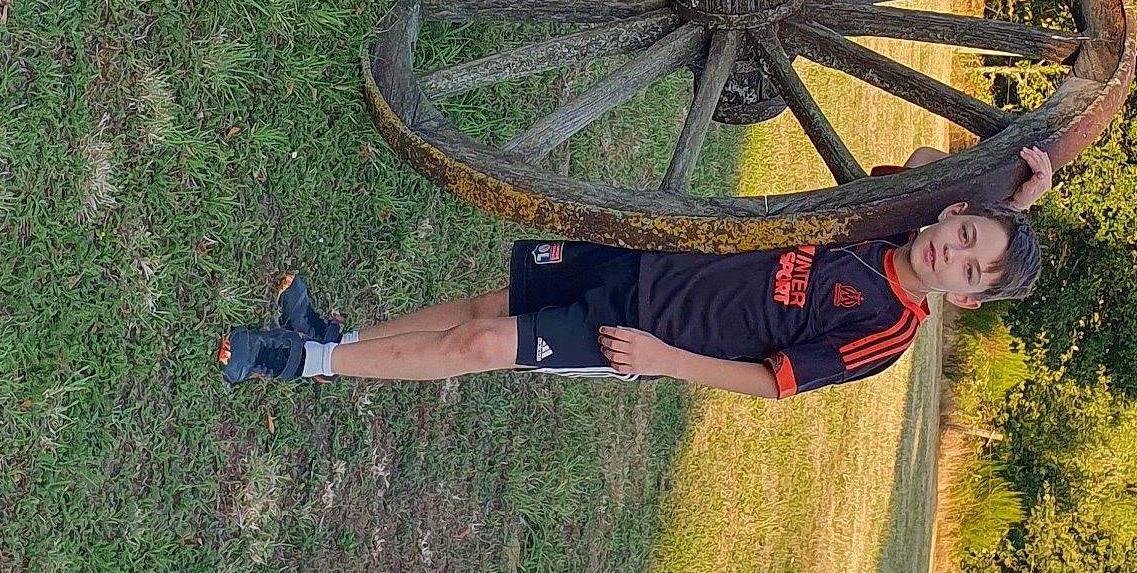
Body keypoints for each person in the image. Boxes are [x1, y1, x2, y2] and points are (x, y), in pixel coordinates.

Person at [219, 143, 1055, 399]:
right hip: (649, 260)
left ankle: (301, 362)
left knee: (480, 343)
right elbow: (923, 162)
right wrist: (1018, 197)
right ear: (953, 218)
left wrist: (663, 363)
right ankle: (338, 335)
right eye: (968, 237)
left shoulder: (888, 330)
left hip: (645, 334)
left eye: (973, 273)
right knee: (486, 299)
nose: (957, 256)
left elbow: (774, 382)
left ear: (966, 300)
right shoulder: (891, 222)